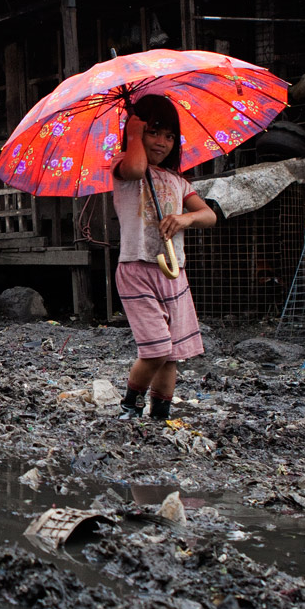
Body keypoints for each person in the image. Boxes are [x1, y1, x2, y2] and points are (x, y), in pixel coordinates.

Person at [112, 94, 216, 421]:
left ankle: (160, 415)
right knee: (155, 348)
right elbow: (137, 165)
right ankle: (130, 405)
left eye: (170, 135)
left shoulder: (178, 181)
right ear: (139, 131)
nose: (162, 142)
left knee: (172, 355)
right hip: (137, 269)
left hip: (173, 272)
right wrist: (131, 133)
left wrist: (185, 218)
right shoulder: (125, 169)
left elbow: (208, 215)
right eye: (154, 132)